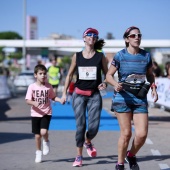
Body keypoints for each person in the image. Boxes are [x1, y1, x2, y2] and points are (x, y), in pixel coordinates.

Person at [106, 26, 158, 170]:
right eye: (133, 35)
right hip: (122, 98)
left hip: (139, 98)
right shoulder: (120, 56)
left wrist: (153, 87)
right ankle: (120, 164)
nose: (137, 37)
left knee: (141, 134)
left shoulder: (146, 56)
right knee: (126, 133)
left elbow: (150, 75)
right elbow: (108, 75)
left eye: (139, 35)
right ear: (127, 39)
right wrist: (115, 84)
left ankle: (131, 155)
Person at [61, 27, 108, 167]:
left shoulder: (100, 56)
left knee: (93, 128)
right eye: (89, 35)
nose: (92, 37)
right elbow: (69, 75)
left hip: (94, 95)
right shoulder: (77, 56)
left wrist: (104, 83)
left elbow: (107, 74)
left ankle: (88, 141)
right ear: (84, 38)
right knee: (80, 126)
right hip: (79, 95)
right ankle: (79, 156)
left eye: (95, 35)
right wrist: (64, 93)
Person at [25, 64, 62, 163]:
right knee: (37, 136)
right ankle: (38, 152)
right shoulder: (31, 87)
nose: (43, 75)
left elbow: (53, 97)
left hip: (46, 112)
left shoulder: (48, 86)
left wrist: (60, 100)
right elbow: (28, 100)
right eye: (40, 73)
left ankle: (46, 141)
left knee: (44, 132)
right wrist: (33, 102)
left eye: (44, 74)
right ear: (35, 75)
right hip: (35, 113)